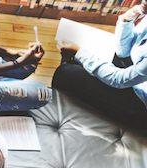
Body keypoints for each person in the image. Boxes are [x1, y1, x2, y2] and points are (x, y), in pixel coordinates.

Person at [54, 0, 147, 129]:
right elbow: (123, 52)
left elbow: (119, 79)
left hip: (141, 106)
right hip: (137, 79)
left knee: (65, 73)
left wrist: (79, 52)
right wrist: (127, 18)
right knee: (74, 63)